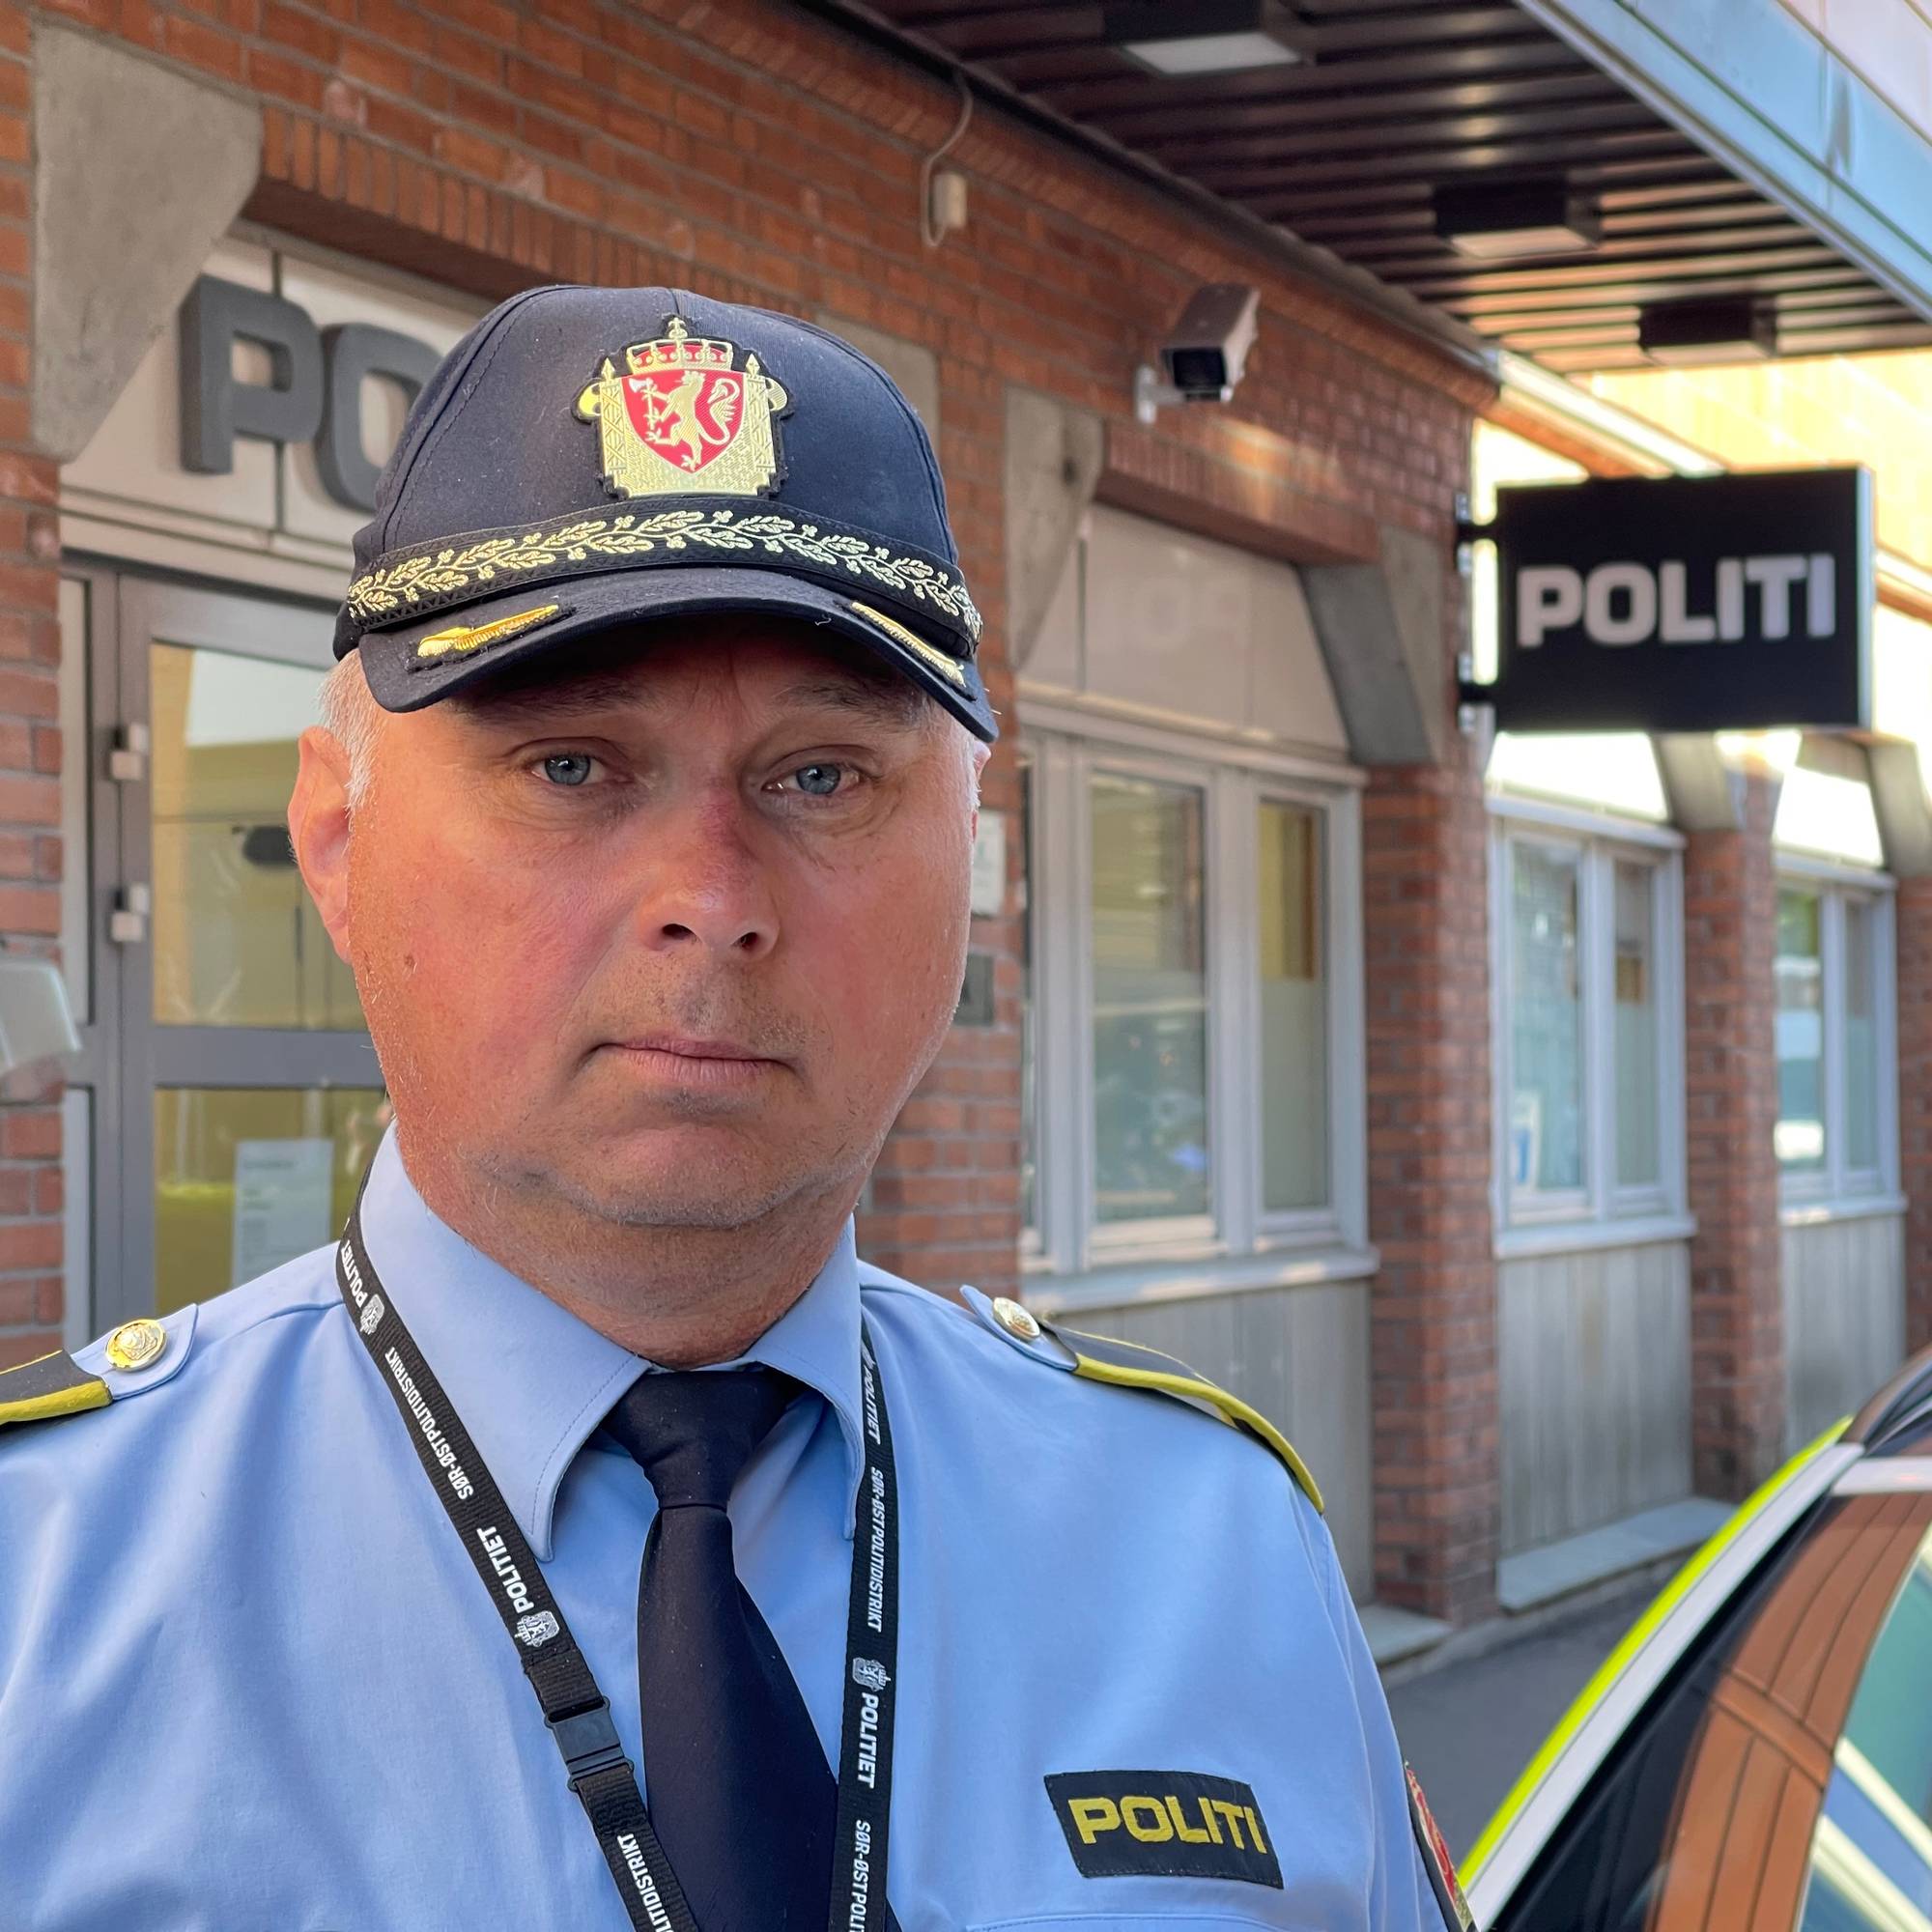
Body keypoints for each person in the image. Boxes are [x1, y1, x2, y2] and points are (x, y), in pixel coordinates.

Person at [0, 285, 1472, 1930]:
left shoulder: (1210, 1544)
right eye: (571, 766)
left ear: (972, 858)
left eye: (821, 776)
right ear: (337, 840)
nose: (711, 898)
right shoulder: (36, 1591)